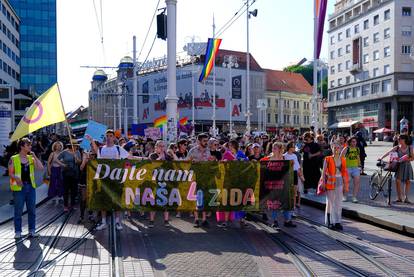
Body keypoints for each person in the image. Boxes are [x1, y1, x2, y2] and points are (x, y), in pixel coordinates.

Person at [88, 129, 133, 231]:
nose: (108, 137)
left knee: (117, 200)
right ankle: (104, 222)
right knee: (104, 201)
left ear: (114, 137)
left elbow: (129, 157)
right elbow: (95, 151)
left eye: (110, 136)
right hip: (104, 179)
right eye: (107, 136)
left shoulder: (118, 148)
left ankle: (117, 222)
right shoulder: (101, 149)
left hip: (116, 179)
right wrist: (91, 140)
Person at [8, 138, 44, 238]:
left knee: (32, 210)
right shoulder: (13, 158)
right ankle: (18, 232)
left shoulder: (31, 158)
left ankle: (32, 230)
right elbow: (10, 173)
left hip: (31, 187)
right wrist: (16, 178)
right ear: (22, 146)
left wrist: (35, 156)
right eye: (28, 145)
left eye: (30, 145)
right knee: (18, 210)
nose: (30, 147)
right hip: (19, 188)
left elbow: (41, 168)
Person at [261, 142, 296, 228]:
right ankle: (274, 221)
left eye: (275, 148)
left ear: (280, 150)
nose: (273, 149)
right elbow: (261, 166)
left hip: (283, 185)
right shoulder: (268, 159)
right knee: (274, 203)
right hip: (272, 185)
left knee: (285, 201)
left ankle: (287, 220)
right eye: (273, 148)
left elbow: (290, 170)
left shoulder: (284, 159)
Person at [187, 133, 214, 228]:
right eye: (204, 141)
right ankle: (196, 219)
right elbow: (186, 163)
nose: (206, 143)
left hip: (205, 177)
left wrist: (211, 160)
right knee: (196, 198)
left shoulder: (208, 151)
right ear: (199, 141)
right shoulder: (193, 151)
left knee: (204, 198)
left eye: (207, 141)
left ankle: (204, 219)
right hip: (195, 177)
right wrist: (194, 162)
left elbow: (209, 163)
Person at [321, 142, 349, 230]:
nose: (336, 149)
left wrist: (345, 185)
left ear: (340, 149)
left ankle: (337, 221)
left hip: (340, 181)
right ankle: (330, 221)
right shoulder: (328, 159)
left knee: (338, 203)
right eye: (334, 147)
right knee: (330, 202)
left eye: (338, 147)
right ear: (331, 148)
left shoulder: (343, 160)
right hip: (330, 183)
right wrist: (323, 182)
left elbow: (344, 173)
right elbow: (323, 172)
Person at [379, 134, 413, 203]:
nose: (398, 140)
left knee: (407, 181)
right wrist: (381, 157)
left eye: (400, 139)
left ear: (404, 140)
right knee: (398, 181)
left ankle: (406, 198)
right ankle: (399, 198)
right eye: (398, 139)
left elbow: (412, 158)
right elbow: (388, 153)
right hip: (399, 166)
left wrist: (406, 159)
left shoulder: (410, 148)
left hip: (407, 165)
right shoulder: (397, 147)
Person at [148, 140, 173, 227]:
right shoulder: (152, 155)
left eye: (163, 146)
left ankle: (166, 220)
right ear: (156, 147)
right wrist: (160, 159)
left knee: (166, 201)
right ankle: (151, 220)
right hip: (155, 182)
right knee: (153, 201)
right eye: (160, 146)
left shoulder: (167, 156)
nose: (162, 148)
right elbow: (151, 166)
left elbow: (173, 165)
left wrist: (171, 155)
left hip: (165, 182)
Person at [58, 139, 81, 212]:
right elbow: (56, 159)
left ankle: (73, 205)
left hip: (75, 173)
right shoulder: (64, 152)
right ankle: (65, 206)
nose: (75, 147)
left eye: (76, 146)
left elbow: (79, 162)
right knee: (66, 190)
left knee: (74, 190)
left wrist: (76, 157)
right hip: (66, 173)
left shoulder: (77, 152)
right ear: (71, 145)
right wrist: (62, 164)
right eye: (74, 146)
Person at [284, 142, 304, 212]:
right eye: (293, 147)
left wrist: (301, 176)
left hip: (295, 174)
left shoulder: (295, 156)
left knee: (294, 193)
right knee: (288, 192)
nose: (294, 148)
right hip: (288, 175)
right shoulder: (284, 156)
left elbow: (298, 167)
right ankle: (287, 206)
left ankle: (293, 208)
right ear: (290, 148)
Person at [341, 137, 361, 203]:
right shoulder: (346, 148)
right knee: (346, 183)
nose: (354, 143)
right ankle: (344, 196)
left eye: (355, 141)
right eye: (353, 141)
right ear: (349, 142)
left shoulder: (357, 149)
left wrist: (360, 166)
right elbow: (341, 157)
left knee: (357, 182)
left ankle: (354, 197)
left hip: (355, 168)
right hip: (347, 168)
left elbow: (358, 158)